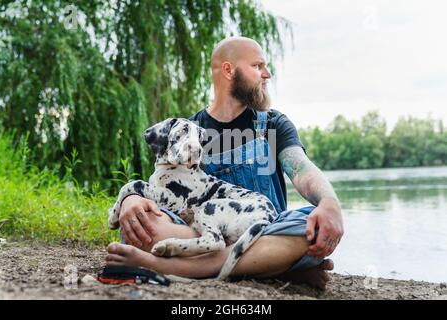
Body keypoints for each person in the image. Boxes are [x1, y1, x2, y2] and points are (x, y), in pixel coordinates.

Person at [105, 36, 344, 290]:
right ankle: (272, 267)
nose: (267, 74)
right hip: (204, 237)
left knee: (308, 224)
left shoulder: (273, 124)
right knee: (144, 224)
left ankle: (178, 267)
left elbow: (302, 170)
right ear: (229, 70)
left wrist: (329, 202)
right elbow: (163, 191)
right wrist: (132, 199)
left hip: (264, 232)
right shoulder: (188, 133)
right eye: (258, 66)